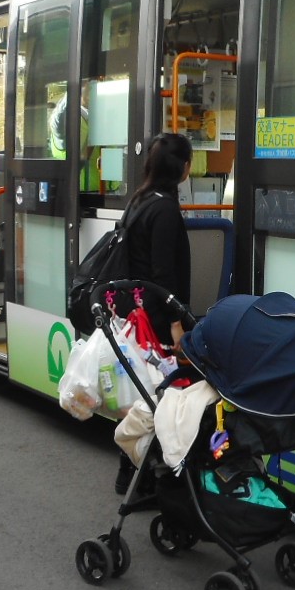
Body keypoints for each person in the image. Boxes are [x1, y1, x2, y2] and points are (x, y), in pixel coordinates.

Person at [113, 132, 193, 495]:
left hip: (137, 311)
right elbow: (163, 274)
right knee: (159, 396)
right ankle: (138, 475)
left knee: (144, 394)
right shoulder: (165, 209)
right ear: (183, 168)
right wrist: (176, 323)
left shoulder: (140, 200)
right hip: (157, 317)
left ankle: (132, 473)